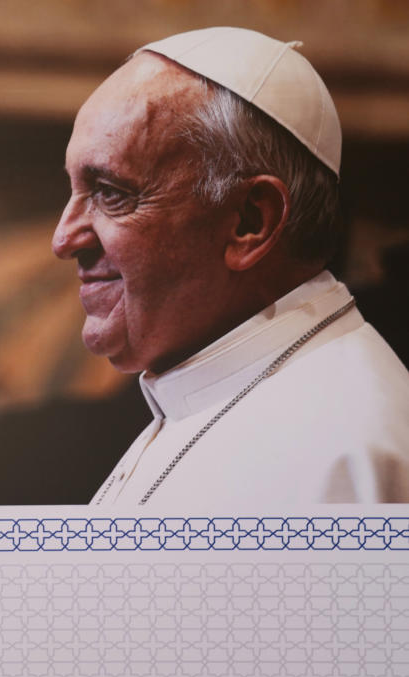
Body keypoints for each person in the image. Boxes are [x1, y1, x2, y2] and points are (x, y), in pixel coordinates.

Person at [52, 26, 409, 507]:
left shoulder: (340, 456)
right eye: (74, 189)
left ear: (249, 223)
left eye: (111, 193)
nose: (63, 239)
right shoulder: (204, 391)